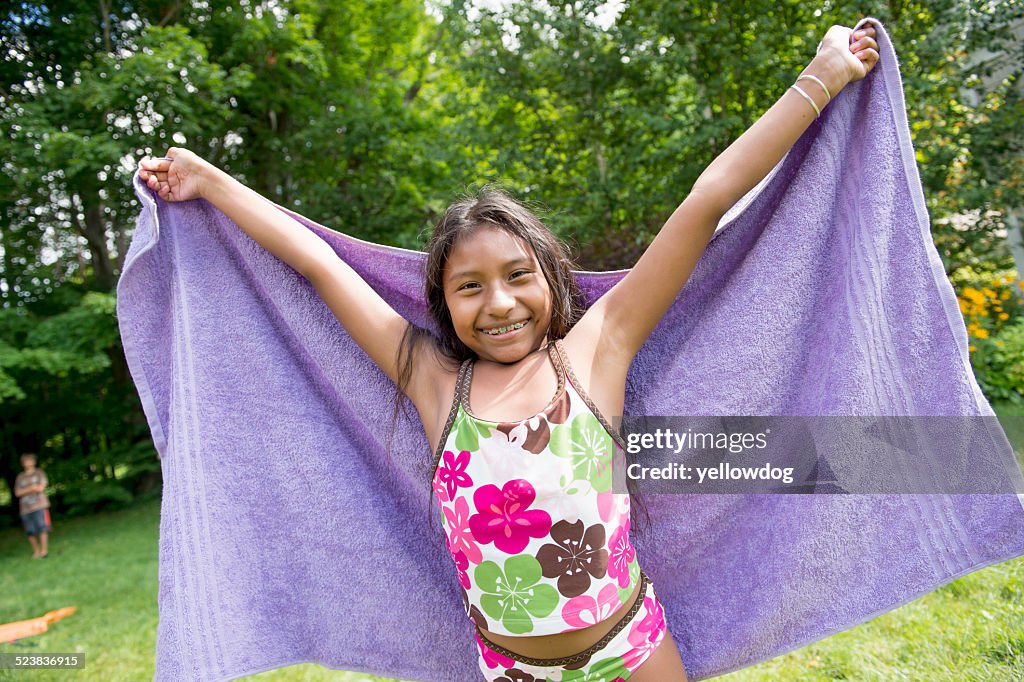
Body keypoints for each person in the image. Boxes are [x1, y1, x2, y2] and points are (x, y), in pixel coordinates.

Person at [138, 21, 879, 682]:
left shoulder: (597, 350)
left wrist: (823, 75)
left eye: (518, 275)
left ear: (551, 279)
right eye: (469, 287)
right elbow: (320, 266)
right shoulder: (432, 383)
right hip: (512, 672)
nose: (498, 303)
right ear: (443, 304)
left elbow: (707, 197)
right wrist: (210, 181)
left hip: (633, 650)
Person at [14, 453, 52, 559]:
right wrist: (32, 488)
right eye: (26, 461)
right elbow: (17, 493)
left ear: (34, 461)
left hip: (40, 505)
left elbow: (41, 488)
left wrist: (26, 490)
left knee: (43, 527)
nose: (28, 463)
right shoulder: (20, 477)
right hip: (25, 509)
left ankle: (44, 551)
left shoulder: (39, 473)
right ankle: (36, 551)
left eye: (30, 460)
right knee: (30, 530)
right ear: (23, 464)